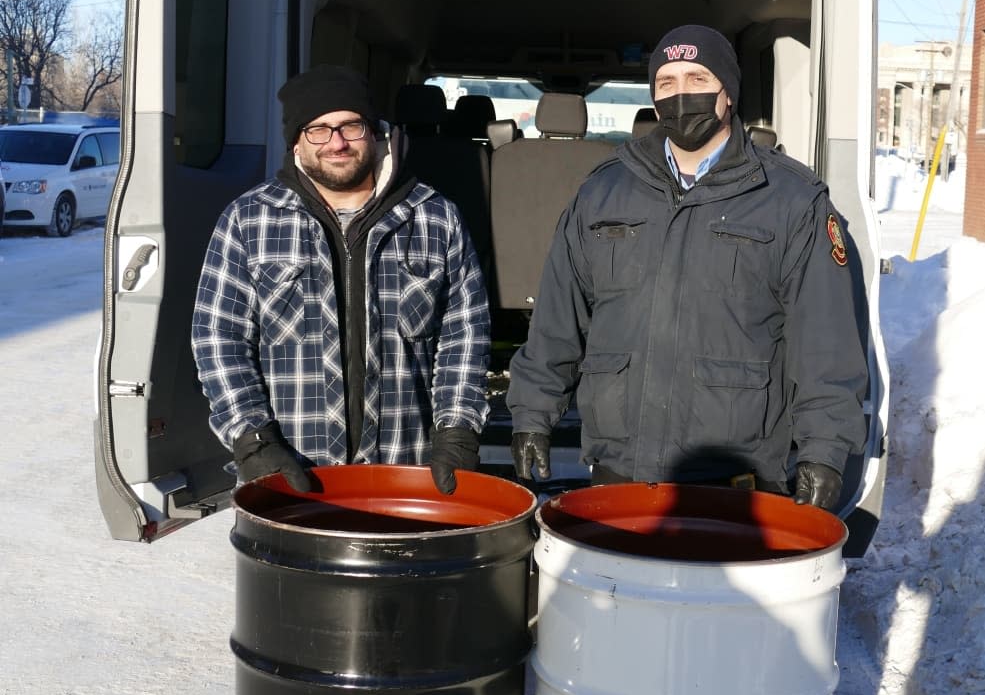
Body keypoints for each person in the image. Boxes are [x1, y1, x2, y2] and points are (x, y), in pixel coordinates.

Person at [506, 25, 866, 511]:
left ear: (728, 93)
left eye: (697, 77)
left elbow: (825, 343)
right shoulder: (602, 193)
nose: (681, 95)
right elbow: (557, 322)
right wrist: (533, 414)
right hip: (618, 469)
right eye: (667, 83)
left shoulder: (791, 201)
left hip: (737, 476)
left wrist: (825, 451)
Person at [192, 65, 490, 495]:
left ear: (374, 131)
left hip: (405, 471)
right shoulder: (248, 220)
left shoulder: (434, 217)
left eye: (351, 125)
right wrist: (252, 441)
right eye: (318, 129)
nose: (336, 142)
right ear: (296, 141)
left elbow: (466, 334)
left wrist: (457, 432)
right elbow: (218, 337)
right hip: (291, 471)